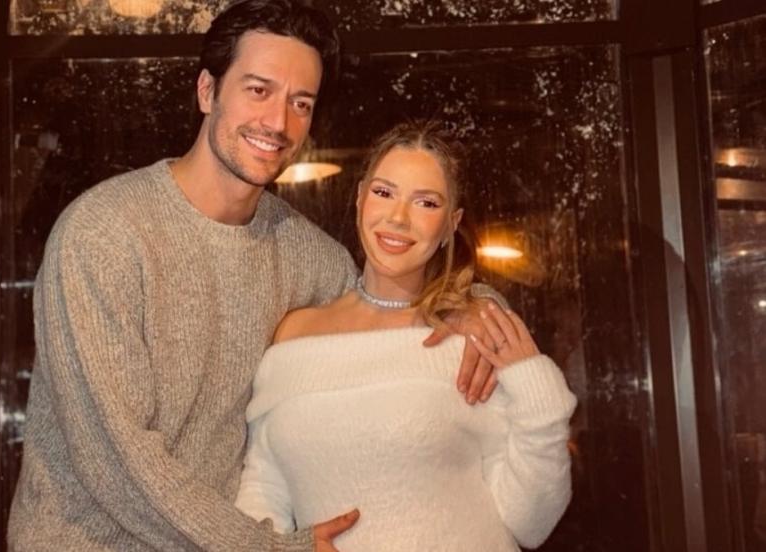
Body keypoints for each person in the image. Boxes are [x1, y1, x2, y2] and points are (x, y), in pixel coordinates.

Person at [7, 1, 501, 550]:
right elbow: (114, 462)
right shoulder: (103, 234)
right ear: (207, 91)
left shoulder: (310, 258)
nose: (278, 123)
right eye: (258, 90)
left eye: (300, 103)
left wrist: (473, 306)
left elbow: (389, 303)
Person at [235, 121, 578, 551]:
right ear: (360, 198)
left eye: (426, 202)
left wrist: (537, 390)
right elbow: (263, 487)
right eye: (384, 192)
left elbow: (531, 522)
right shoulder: (293, 335)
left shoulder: (471, 339)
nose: (398, 217)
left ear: (451, 224)